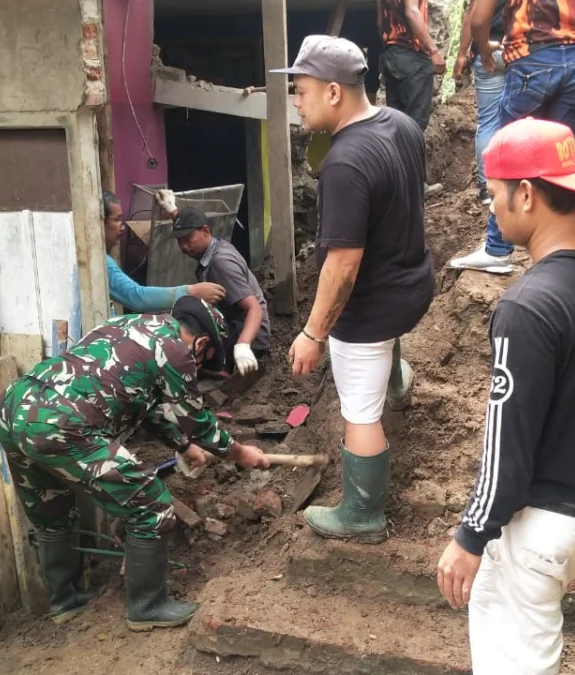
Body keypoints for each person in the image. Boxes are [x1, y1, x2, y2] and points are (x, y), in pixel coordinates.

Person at [434, 118, 575, 674]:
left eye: (494, 195)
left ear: (529, 193)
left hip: (540, 524)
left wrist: (470, 535)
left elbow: (504, 447)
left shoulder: (526, 307)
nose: (493, 209)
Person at [0, 296, 271, 628]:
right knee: (151, 504)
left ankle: (65, 602)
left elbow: (146, 407)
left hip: (15, 409)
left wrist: (182, 446)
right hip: (64, 424)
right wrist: (241, 453)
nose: (200, 368)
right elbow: (198, 422)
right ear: (201, 342)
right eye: (206, 359)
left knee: (50, 507)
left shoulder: (126, 326)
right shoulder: (176, 350)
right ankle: (147, 607)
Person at [274, 35, 435, 543]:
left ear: (335, 92)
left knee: (359, 415)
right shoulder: (401, 124)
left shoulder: (344, 163)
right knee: (385, 357)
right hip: (413, 283)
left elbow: (342, 267)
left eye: (301, 92)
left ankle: (363, 515)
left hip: (371, 308)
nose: (296, 103)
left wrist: (314, 333)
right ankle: (395, 378)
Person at [449, 0, 575, 274]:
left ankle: (497, 250)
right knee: (561, 158)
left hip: (532, 56)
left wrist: (485, 49)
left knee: (511, 155)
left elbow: (479, 19)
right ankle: (563, 247)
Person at [171, 206, 270, 376]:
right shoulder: (216, 245)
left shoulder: (220, 264)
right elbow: (187, 226)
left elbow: (254, 308)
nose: (184, 246)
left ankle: (219, 372)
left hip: (250, 339)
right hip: (237, 327)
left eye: (188, 239)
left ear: (206, 231)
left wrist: (243, 345)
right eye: (179, 240)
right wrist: (173, 211)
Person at [100, 191, 225, 313]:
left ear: (206, 231)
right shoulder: (101, 262)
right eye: (116, 219)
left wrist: (173, 212)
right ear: (99, 222)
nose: (122, 226)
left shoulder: (224, 261)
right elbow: (138, 297)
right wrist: (191, 292)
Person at [453, 0, 508, 206]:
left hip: (488, 52)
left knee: (488, 121)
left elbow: (472, 14)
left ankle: (487, 187)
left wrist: (461, 54)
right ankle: (516, 181)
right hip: (519, 50)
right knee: (519, 118)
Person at [377, 0, 446, 131]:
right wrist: (433, 50)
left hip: (390, 54)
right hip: (412, 53)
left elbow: (380, 22)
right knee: (415, 124)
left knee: (396, 123)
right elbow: (411, 11)